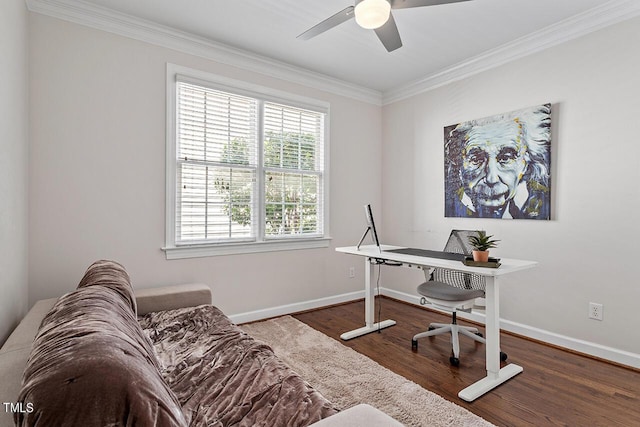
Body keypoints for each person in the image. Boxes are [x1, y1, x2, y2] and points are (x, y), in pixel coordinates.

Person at [444, 104, 551, 219]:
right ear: (459, 164)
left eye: (505, 158)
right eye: (476, 159)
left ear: (526, 162)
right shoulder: (448, 205)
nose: (491, 179)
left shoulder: (544, 203)